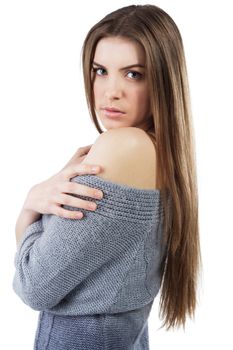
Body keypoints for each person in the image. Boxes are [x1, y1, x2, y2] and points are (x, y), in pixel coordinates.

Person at [12, 4, 202, 349]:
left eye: (133, 74)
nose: (111, 91)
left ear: (162, 79)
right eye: (101, 71)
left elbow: (34, 284)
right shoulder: (160, 151)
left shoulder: (124, 146)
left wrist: (30, 210)